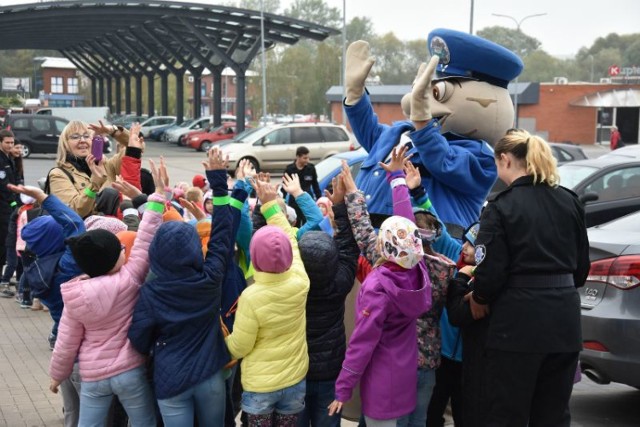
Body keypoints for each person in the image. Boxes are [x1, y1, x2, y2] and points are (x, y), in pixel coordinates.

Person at [343, 29, 523, 235]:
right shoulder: (401, 133)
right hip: (370, 250)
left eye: (437, 93)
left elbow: (442, 160)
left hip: (426, 260)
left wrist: (422, 120)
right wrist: (355, 95)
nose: (420, 101)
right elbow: (370, 131)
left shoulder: (481, 158)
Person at [468, 129, 591, 426]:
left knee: (507, 414)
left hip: (517, 327)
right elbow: (581, 268)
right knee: (553, 415)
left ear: (505, 160)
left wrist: (480, 297)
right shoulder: (569, 201)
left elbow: (490, 271)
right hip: (564, 322)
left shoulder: (501, 206)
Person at [128, 147, 244, 427]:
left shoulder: (151, 292)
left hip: (172, 379)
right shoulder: (210, 278)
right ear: (194, 249)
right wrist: (218, 180)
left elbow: (139, 338)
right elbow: (222, 235)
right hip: (211, 376)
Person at [48, 157, 167, 427]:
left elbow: (66, 342)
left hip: (93, 375)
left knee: (89, 424)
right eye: (120, 250)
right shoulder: (129, 279)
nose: (126, 250)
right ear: (115, 259)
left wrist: (57, 375)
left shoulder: (74, 295)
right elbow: (146, 238)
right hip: (129, 370)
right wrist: (158, 196)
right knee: (143, 421)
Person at [329, 147, 432, 426]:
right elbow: (405, 224)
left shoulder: (378, 286)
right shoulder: (417, 269)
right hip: (404, 376)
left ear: (384, 247)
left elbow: (362, 342)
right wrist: (397, 178)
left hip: (381, 387)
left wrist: (343, 388)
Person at [225, 176, 311, 426]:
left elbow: (240, 346)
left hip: (261, 387)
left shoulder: (251, 297)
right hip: (295, 380)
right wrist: (271, 205)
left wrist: (221, 342)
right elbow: (291, 243)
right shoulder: (299, 280)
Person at [297, 171, 360, 427]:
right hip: (331, 370)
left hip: (296, 369)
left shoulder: (292, 287)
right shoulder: (340, 282)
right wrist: (340, 206)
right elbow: (349, 246)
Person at [46, 120, 129, 218]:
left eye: (86, 136)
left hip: (117, 229)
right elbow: (73, 212)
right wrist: (94, 185)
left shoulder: (107, 165)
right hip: (86, 231)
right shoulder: (58, 174)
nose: (82, 140)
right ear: (65, 144)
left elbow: (135, 147)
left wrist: (112, 130)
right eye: (75, 137)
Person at [0, 129, 20, 296]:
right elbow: (4, 185)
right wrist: (14, 202)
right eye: (7, 142)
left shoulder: (9, 158)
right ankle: (1, 281)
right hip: (3, 206)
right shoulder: (1, 160)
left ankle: (4, 278)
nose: (10, 145)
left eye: (12, 142)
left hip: (9, 204)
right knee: (3, 241)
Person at [283, 146, 321, 225]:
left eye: (308, 158)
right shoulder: (289, 169)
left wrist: (319, 199)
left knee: (307, 223)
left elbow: (315, 185)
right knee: (294, 223)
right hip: (294, 202)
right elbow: (284, 187)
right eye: (305, 158)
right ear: (298, 157)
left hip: (307, 200)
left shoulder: (311, 168)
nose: (307, 160)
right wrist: (283, 201)